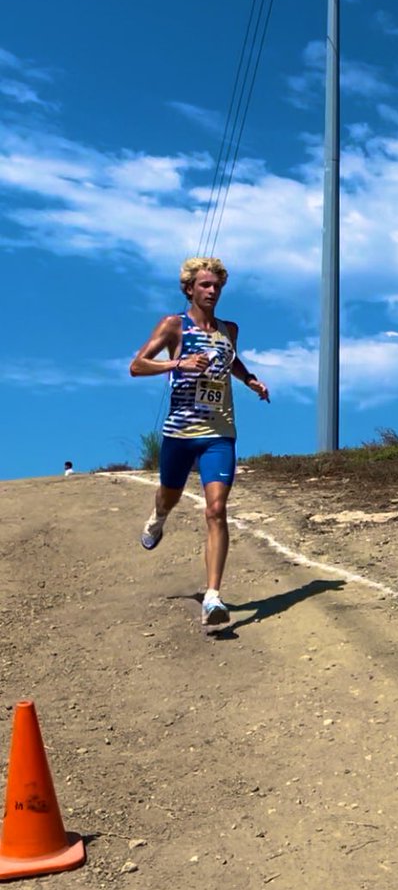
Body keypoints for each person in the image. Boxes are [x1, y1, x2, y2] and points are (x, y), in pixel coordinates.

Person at [129, 256, 269, 626]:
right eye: (205, 285)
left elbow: (232, 360)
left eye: (217, 286)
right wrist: (178, 364)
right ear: (189, 289)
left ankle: (212, 596)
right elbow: (137, 365)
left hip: (219, 433)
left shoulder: (229, 329)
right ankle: (158, 517)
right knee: (169, 495)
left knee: (216, 509)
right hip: (179, 432)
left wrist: (250, 379)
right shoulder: (174, 326)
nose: (212, 291)